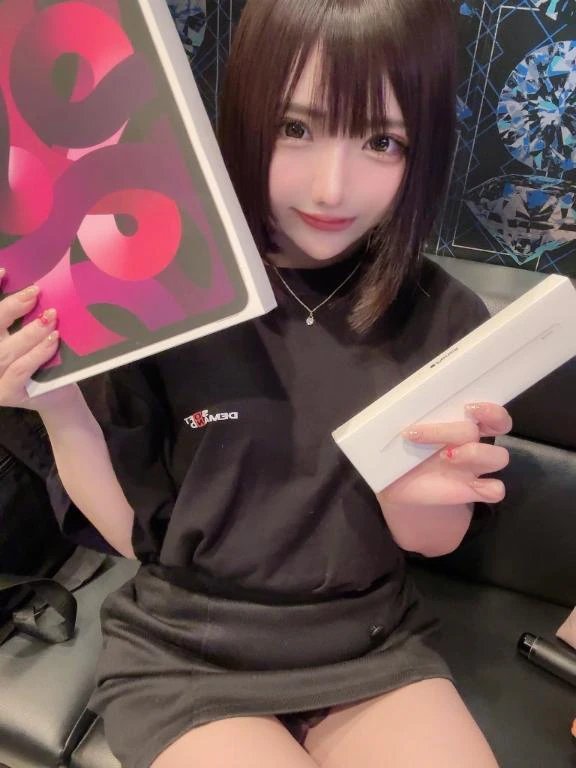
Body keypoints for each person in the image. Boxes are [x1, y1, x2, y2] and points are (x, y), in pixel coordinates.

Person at [0, 1, 513, 766]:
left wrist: (412, 487)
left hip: (368, 644)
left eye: (381, 140)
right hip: (189, 652)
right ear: (243, 116)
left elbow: (430, 539)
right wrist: (56, 405)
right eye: (296, 128)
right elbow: (137, 538)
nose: (332, 187)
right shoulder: (163, 288)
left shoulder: (446, 317)